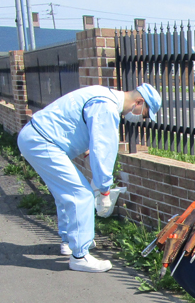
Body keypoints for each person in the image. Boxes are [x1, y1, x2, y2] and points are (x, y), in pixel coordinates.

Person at [17, 83, 162, 273]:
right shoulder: (107, 107)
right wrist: (104, 189)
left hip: (37, 137)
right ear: (139, 102)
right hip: (43, 142)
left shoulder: (102, 95)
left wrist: (85, 149)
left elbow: (79, 124)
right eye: (144, 114)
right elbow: (103, 150)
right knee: (81, 195)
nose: (141, 119)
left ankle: (70, 241)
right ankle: (80, 256)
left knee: (65, 193)